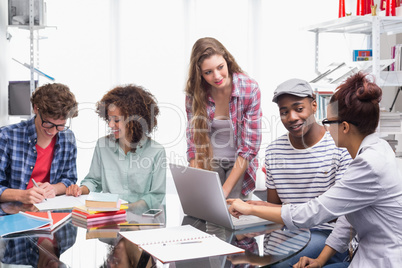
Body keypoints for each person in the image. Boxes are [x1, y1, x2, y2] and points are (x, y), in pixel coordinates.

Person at [228, 72, 402, 267]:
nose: (326, 128)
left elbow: (314, 212)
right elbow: (347, 218)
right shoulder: (376, 151)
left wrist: (250, 208)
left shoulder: (369, 164)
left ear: (344, 127)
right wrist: (320, 261)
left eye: (328, 122)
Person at [251, 78, 352, 266]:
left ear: (314, 105)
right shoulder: (274, 151)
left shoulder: (339, 146)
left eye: (299, 109)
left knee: (278, 263)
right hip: (284, 234)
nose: (291, 117)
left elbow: (340, 214)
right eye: (284, 112)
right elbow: (275, 207)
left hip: (325, 234)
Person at [185, 37, 262, 199]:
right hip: (210, 161)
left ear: (227, 60)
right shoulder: (195, 93)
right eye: (208, 72)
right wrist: (195, 178)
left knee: (234, 211)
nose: (217, 76)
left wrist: (225, 191)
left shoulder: (249, 88)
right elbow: (194, 141)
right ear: (200, 73)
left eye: (220, 67)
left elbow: (250, 147)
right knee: (208, 212)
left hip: (239, 162)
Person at [66, 85, 166, 209]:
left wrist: (127, 210)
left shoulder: (156, 151)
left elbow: (155, 196)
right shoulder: (102, 146)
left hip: (144, 222)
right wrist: (80, 189)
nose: (110, 124)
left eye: (116, 120)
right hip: (110, 219)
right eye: (109, 119)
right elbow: (94, 181)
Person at [0, 83, 79, 204]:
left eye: (60, 126)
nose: (53, 131)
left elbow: (69, 179)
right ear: (36, 108)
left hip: (51, 212)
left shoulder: (68, 138)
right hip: (13, 214)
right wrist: (21, 195)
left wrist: (54, 188)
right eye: (48, 124)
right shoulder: (7, 136)